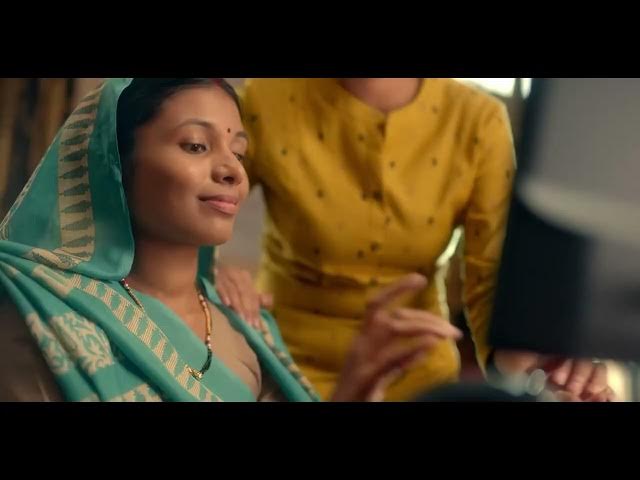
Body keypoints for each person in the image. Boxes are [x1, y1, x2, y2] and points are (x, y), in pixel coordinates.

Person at [0, 78, 463, 402]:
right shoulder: (42, 317)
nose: (232, 171)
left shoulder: (246, 324)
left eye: (238, 151)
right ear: (114, 163)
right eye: (196, 145)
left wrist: (356, 388)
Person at [216, 78, 615, 402]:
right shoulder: (268, 98)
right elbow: (198, 201)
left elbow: (493, 285)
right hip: (284, 364)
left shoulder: (477, 120)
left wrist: (544, 360)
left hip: (416, 371)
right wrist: (211, 269)